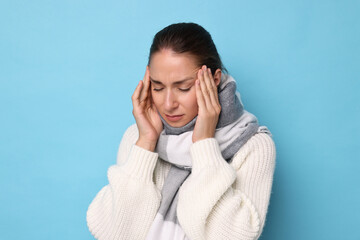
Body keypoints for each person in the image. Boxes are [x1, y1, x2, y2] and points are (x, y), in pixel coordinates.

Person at [86, 22, 276, 240]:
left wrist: (204, 144)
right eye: (157, 87)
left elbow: (233, 236)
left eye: (183, 88)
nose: (168, 104)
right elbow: (116, 233)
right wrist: (146, 143)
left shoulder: (252, 147)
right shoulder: (137, 138)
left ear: (214, 80)